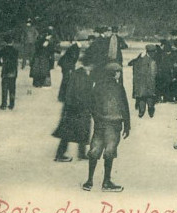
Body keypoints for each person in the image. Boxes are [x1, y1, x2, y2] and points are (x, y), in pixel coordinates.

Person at [84, 63, 130, 192]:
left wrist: (96, 117)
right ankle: (106, 182)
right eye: (118, 72)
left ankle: (89, 181)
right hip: (114, 124)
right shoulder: (118, 87)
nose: (119, 74)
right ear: (114, 73)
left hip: (100, 123)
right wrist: (127, 125)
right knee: (110, 152)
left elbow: (91, 103)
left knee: (95, 150)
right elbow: (124, 106)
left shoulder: (98, 85)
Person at [52, 60, 92, 162]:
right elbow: (77, 92)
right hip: (75, 108)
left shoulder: (82, 74)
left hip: (75, 108)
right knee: (68, 132)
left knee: (79, 130)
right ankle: (60, 154)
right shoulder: (80, 75)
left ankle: (81, 153)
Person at [128, 47, 158, 119]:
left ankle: (148, 110)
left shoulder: (153, 59)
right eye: (152, 52)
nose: (153, 54)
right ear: (148, 52)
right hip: (144, 83)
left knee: (148, 98)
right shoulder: (142, 59)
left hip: (148, 83)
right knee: (144, 97)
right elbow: (130, 64)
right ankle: (143, 111)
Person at [0, 36, 19, 111]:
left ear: (5, 42)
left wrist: (1, 64)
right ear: (13, 42)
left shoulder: (3, 50)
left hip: (5, 70)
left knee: (4, 88)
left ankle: (4, 104)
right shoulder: (15, 50)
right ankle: (11, 104)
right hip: (13, 71)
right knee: (12, 88)